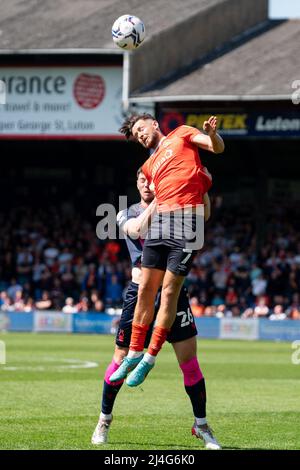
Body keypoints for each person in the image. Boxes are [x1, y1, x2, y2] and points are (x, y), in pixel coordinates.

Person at [91, 170, 221, 450]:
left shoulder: (178, 212)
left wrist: (201, 185)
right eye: (142, 180)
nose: (148, 184)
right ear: (137, 184)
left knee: (190, 362)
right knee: (120, 358)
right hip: (139, 296)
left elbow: (204, 216)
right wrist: (160, 200)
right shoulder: (126, 213)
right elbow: (136, 229)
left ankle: (201, 425)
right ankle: (104, 419)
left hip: (174, 295)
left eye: (153, 180)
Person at [110, 114, 224, 387]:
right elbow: (153, 200)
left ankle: (149, 358)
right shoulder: (148, 166)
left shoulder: (182, 133)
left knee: (170, 291)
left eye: (141, 129)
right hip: (160, 223)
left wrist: (212, 134)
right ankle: (134, 353)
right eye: (136, 135)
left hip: (187, 222)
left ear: (154, 124)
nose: (140, 135)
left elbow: (216, 148)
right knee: (146, 291)